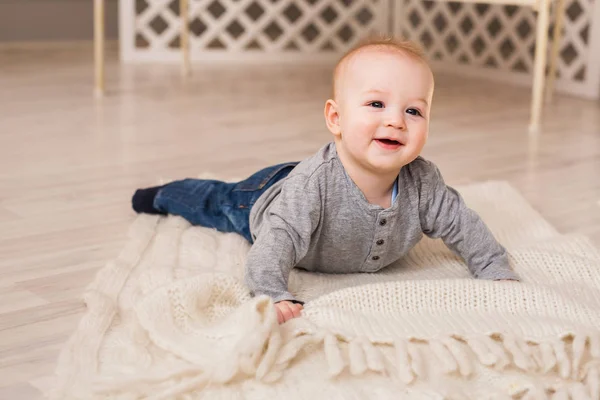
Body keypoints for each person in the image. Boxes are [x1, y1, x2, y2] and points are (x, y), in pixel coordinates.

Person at [131, 35, 519, 324]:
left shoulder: (425, 184)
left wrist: (495, 270)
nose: (396, 120)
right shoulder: (311, 188)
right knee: (213, 200)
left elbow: (464, 226)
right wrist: (273, 293)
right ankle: (164, 194)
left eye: (414, 111)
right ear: (336, 118)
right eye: (376, 104)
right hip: (263, 198)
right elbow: (277, 242)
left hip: (306, 180)